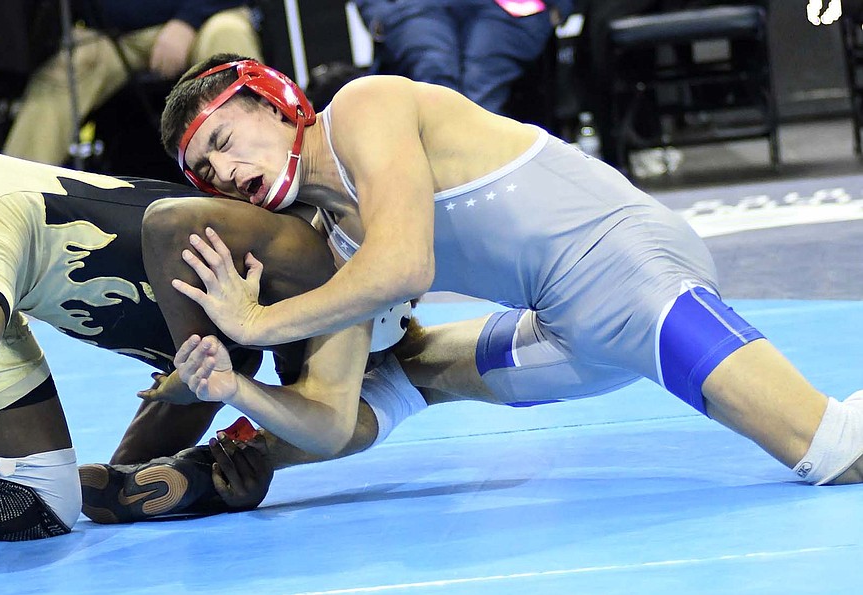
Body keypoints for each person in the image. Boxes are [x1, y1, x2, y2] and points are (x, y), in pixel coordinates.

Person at [156, 54, 863, 487]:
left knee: (834, 452)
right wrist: (236, 392)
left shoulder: (362, 112)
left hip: (632, 277)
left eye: (222, 140)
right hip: (565, 336)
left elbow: (403, 264)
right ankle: (223, 465)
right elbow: (336, 422)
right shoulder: (330, 242)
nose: (225, 171)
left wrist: (255, 321)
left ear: (275, 100)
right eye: (207, 170)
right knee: (404, 375)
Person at [0, 150, 389, 541]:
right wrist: (209, 346)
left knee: (37, 510)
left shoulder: (233, 363)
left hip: (14, 289)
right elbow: (170, 222)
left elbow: (114, 484)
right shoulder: (297, 254)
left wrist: (210, 487)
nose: (326, 373)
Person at [2, 0, 261, 166]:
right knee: (66, 68)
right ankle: (9, 202)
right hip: (115, 33)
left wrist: (187, 22)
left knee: (227, 36)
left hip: (206, 16)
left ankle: (261, 164)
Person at [353, 0, 573, 115]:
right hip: (416, 5)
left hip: (511, 6)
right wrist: (379, 13)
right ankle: (447, 189)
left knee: (482, 88)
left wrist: (558, 7)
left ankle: (482, 187)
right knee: (436, 80)